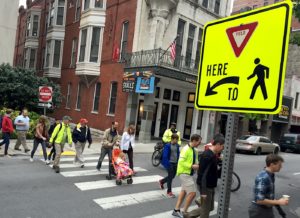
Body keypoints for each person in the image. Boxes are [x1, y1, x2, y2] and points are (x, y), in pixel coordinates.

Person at [184, 134, 225, 218]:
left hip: (210, 186)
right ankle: (189, 214)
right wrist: (203, 192)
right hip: (206, 187)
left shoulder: (213, 155)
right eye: (222, 146)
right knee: (205, 212)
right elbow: (202, 174)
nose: (223, 149)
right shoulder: (207, 156)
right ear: (218, 145)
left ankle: (188, 215)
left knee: (210, 207)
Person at [248, 154, 288, 218]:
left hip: (266, 209)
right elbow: (259, 200)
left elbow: (268, 194)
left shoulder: (271, 175)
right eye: (279, 165)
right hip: (259, 211)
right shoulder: (263, 177)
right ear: (272, 165)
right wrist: (279, 202)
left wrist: (278, 204)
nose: (281, 167)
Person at [172, 134, 202, 218]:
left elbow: (196, 161)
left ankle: (176, 210)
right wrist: (192, 166)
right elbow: (181, 162)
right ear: (194, 141)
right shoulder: (185, 149)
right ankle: (185, 212)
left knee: (184, 191)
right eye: (199, 141)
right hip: (183, 173)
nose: (200, 143)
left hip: (188, 173)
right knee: (192, 193)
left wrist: (199, 165)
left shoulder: (195, 150)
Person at [159, 133, 180, 198]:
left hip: (175, 163)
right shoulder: (168, 145)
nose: (176, 141)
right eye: (176, 140)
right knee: (170, 177)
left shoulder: (177, 146)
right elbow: (165, 156)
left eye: (177, 140)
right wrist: (168, 164)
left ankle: (162, 181)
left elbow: (178, 154)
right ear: (172, 139)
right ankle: (169, 191)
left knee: (172, 176)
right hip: (169, 163)